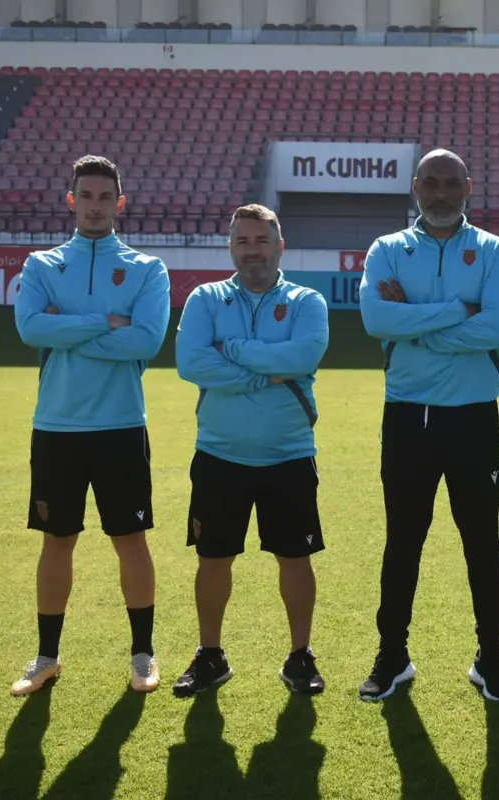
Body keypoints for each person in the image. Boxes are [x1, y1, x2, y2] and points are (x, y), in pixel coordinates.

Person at [357, 149, 499, 702]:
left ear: (468, 186)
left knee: (482, 542)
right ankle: (392, 655)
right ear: (415, 187)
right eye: (432, 183)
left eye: (452, 183)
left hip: (474, 416)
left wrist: (416, 326)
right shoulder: (387, 250)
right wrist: (458, 310)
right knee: (403, 541)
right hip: (407, 416)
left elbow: (498, 328)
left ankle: (491, 657)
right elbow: (377, 319)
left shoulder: (493, 251)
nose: (443, 193)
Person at [11, 154, 170, 695]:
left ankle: (143, 654)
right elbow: (32, 329)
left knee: (131, 538)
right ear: (71, 201)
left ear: (120, 203)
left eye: (107, 197)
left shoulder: (148, 269)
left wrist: (68, 328)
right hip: (56, 426)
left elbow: (146, 340)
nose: (97, 206)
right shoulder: (41, 265)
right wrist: (106, 323)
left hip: (121, 425)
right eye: (88, 196)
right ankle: (45, 656)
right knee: (57, 541)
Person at [171, 204, 330, 697]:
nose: (252, 249)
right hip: (220, 453)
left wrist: (233, 351)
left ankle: (300, 655)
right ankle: (210, 655)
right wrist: (268, 371)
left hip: (288, 452)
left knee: (295, 559)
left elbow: (303, 356)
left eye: (261, 240)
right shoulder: (205, 298)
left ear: (279, 246)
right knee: (213, 559)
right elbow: (191, 363)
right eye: (243, 241)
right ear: (231, 247)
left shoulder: (307, 301)